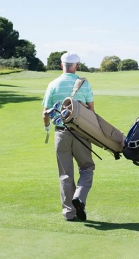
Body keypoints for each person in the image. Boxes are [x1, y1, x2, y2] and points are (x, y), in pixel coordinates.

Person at [42, 52, 95, 222]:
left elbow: (45, 114)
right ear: (77, 66)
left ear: (61, 65)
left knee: (65, 174)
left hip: (60, 133)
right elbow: (91, 112)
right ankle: (79, 197)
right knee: (87, 168)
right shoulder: (84, 84)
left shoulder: (52, 85)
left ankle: (69, 213)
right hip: (81, 133)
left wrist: (47, 127)